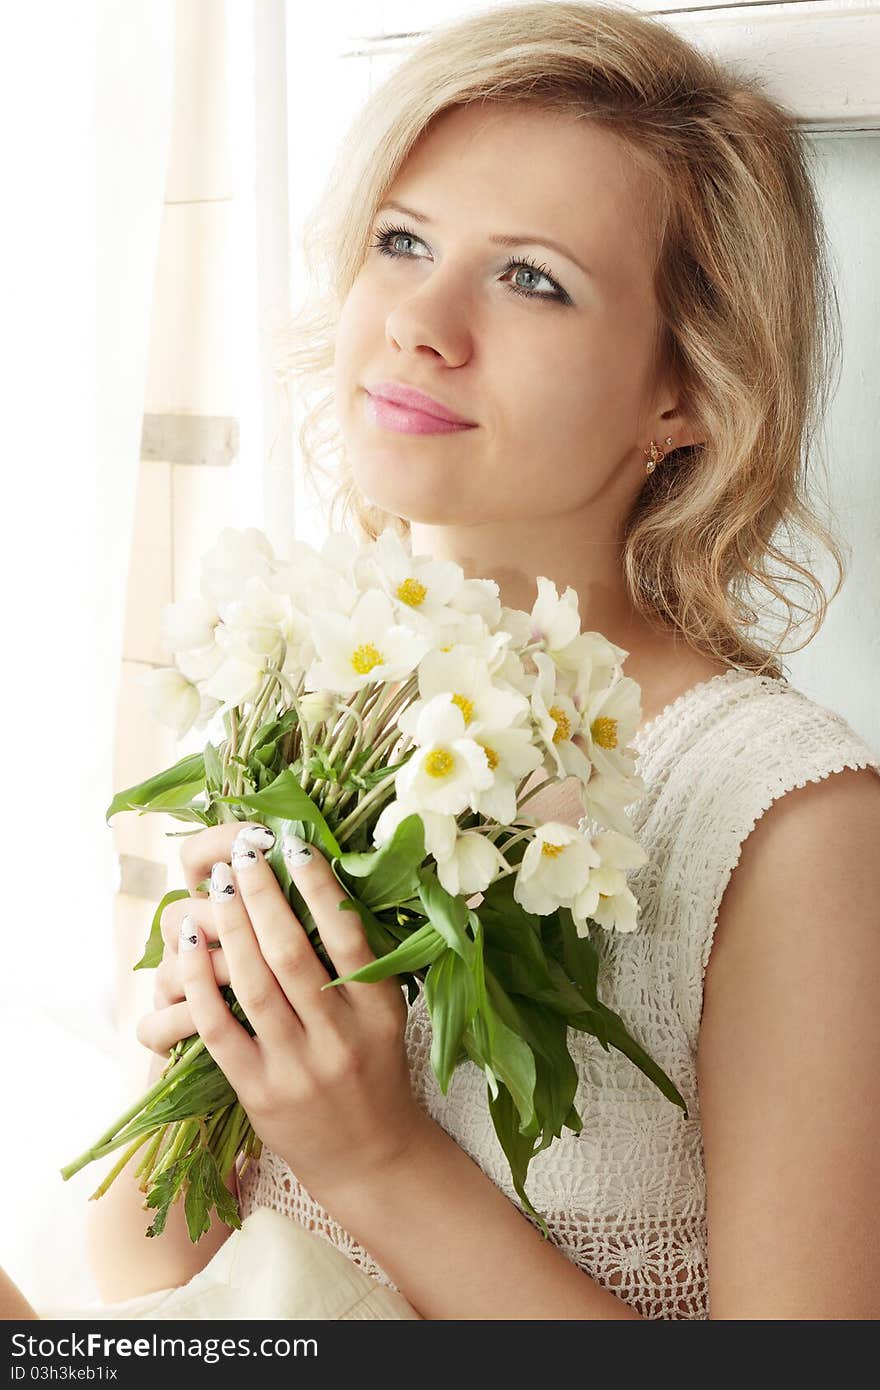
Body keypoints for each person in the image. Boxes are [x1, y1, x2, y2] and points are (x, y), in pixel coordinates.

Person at [29, 1, 880, 1320]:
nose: (420, 323)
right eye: (402, 241)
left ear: (689, 392)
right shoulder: (331, 689)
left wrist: (375, 1157)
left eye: (531, 276)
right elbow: (148, 1272)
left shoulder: (787, 825)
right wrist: (209, 1040)